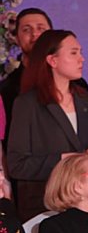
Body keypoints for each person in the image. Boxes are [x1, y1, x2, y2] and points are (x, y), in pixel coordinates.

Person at [7, 30, 88, 221]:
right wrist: (63, 160)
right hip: (44, 208)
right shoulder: (28, 104)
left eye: (80, 52)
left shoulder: (87, 100)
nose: (81, 59)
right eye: (73, 53)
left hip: (87, 206)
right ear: (52, 60)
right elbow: (17, 164)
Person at [0, 8, 52, 149]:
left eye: (41, 28)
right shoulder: (7, 90)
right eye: (26, 30)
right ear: (16, 38)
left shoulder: (75, 84)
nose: (35, 34)